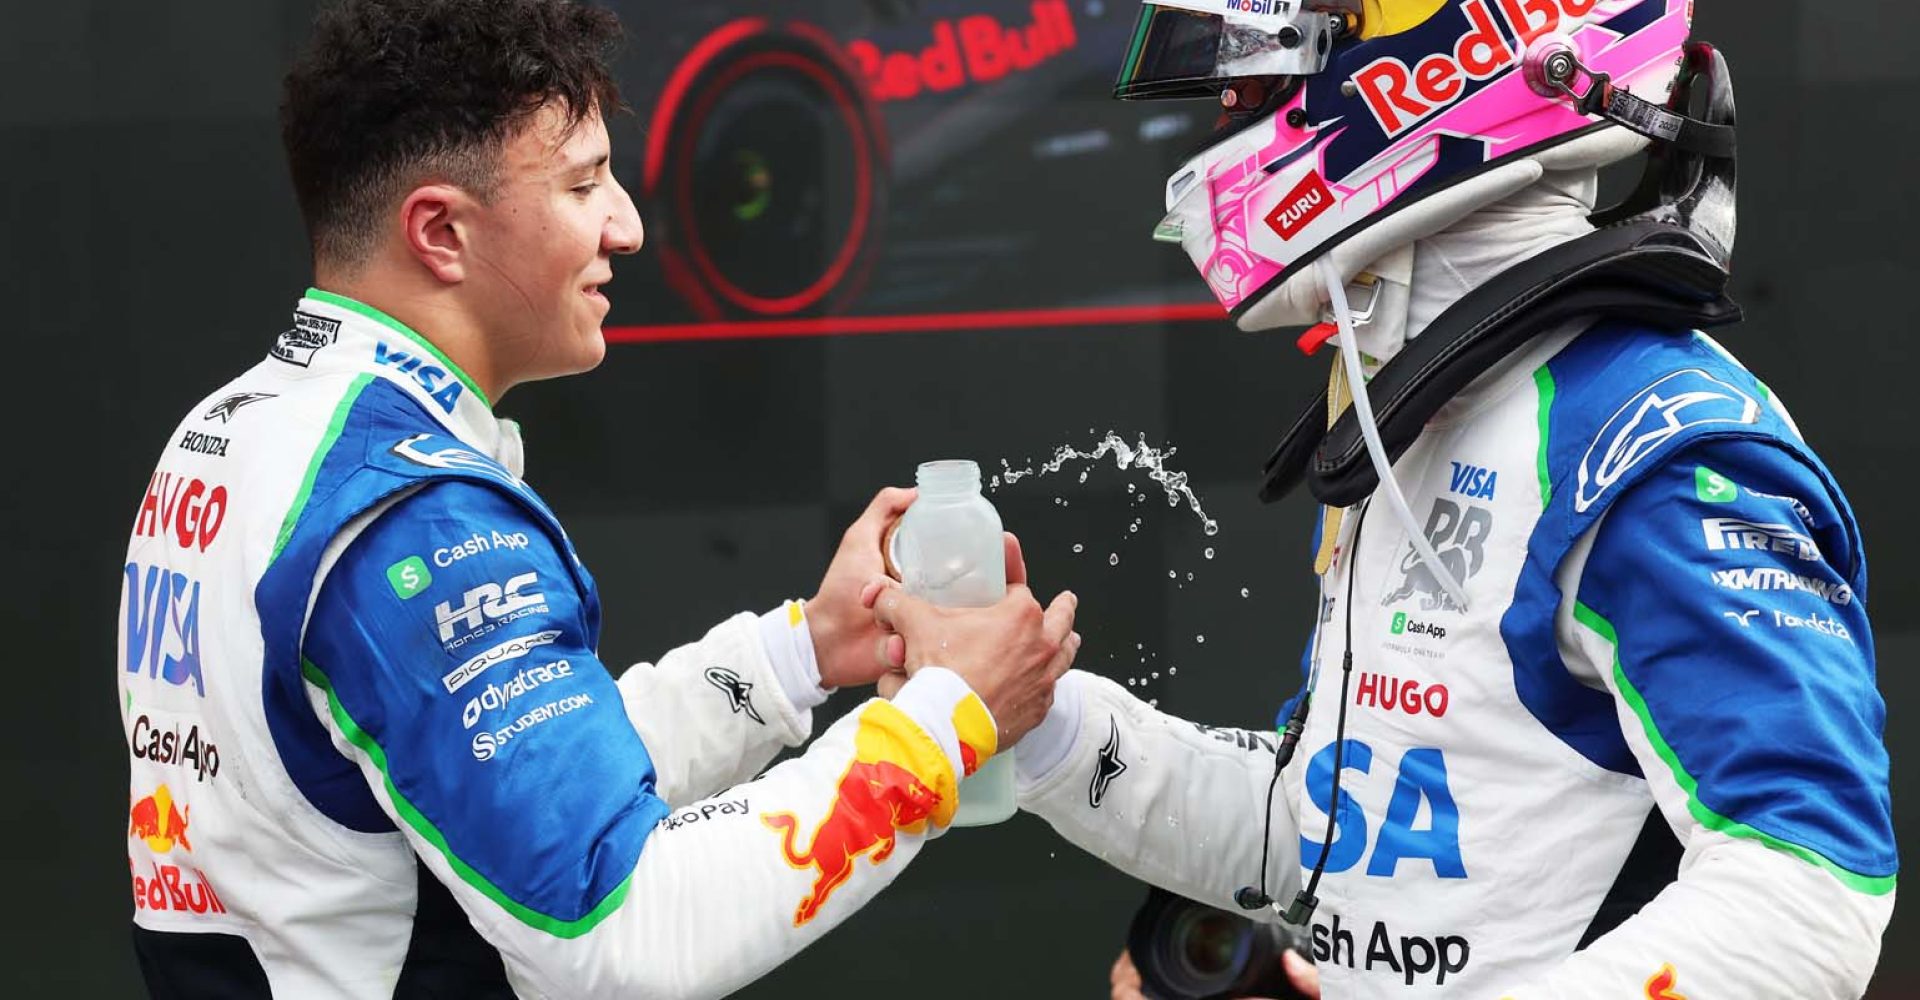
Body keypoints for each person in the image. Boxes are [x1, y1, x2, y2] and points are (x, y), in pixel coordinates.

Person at [874, 1, 1897, 996]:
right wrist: (1037, 722)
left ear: (1446, 60)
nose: (1232, 113)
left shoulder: (1647, 441)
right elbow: (1321, 832)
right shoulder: (1421, 408)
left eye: (1265, 70)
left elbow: (1808, 890)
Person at [117, 0, 1080, 995]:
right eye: (584, 183)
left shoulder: (232, 430)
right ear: (440, 230)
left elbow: (511, 788)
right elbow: (624, 935)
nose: (626, 224)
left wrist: (801, 653)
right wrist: (948, 721)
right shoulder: (412, 516)